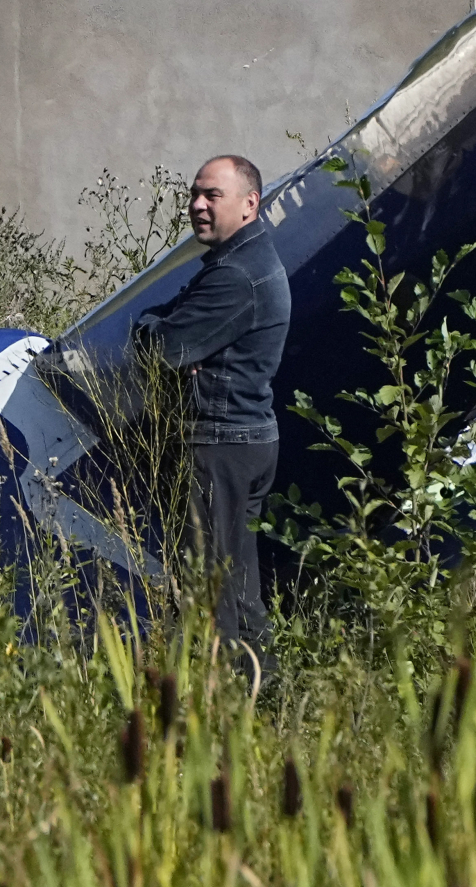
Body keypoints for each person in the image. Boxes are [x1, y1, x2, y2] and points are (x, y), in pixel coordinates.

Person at [134, 154, 289, 681]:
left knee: (209, 585)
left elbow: (164, 348)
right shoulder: (238, 263)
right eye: (194, 194)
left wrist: (151, 330)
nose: (197, 206)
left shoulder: (235, 277)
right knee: (238, 585)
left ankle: (220, 700)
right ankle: (261, 695)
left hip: (221, 443)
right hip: (245, 439)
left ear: (250, 204)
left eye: (212, 196)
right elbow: (174, 336)